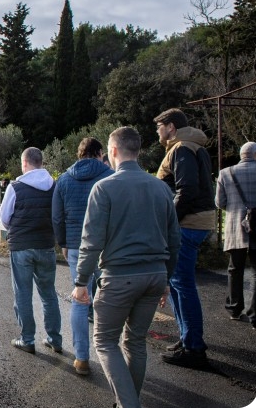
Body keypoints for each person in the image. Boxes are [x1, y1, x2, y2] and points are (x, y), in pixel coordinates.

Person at [73, 126, 180, 408]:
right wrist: (166, 278)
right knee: (135, 342)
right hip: (154, 275)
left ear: (114, 151)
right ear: (138, 151)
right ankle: (128, 402)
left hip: (120, 276)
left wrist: (81, 282)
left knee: (105, 341)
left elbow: (91, 241)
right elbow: (174, 240)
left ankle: (129, 405)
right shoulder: (161, 188)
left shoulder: (104, 188)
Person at [154, 108, 216, 369]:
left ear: (170, 127)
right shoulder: (193, 147)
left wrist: (170, 220)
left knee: (183, 284)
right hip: (197, 222)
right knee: (179, 284)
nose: (157, 132)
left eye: (159, 127)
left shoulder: (182, 149)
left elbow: (187, 188)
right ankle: (186, 338)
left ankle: (193, 348)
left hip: (188, 224)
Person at [52, 137, 114, 375]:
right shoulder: (109, 176)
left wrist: (64, 244)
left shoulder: (64, 179)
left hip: (77, 245)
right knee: (107, 299)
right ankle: (109, 355)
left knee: (80, 297)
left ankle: (81, 358)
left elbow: (57, 216)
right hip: (106, 247)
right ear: (99, 153)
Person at [0, 147, 62, 354]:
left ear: (24, 163)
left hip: (21, 247)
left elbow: (5, 218)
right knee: (48, 294)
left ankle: (27, 339)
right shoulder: (54, 186)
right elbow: (57, 216)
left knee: (23, 294)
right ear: (41, 162)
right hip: (46, 244)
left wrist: (16, 230)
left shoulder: (15, 187)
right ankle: (54, 338)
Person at [215, 141, 256, 329]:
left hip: (235, 226)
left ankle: (234, 308)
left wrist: (235, 210)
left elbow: (219, 202)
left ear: (242, 155)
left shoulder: (226, 173)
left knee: (235, 268)